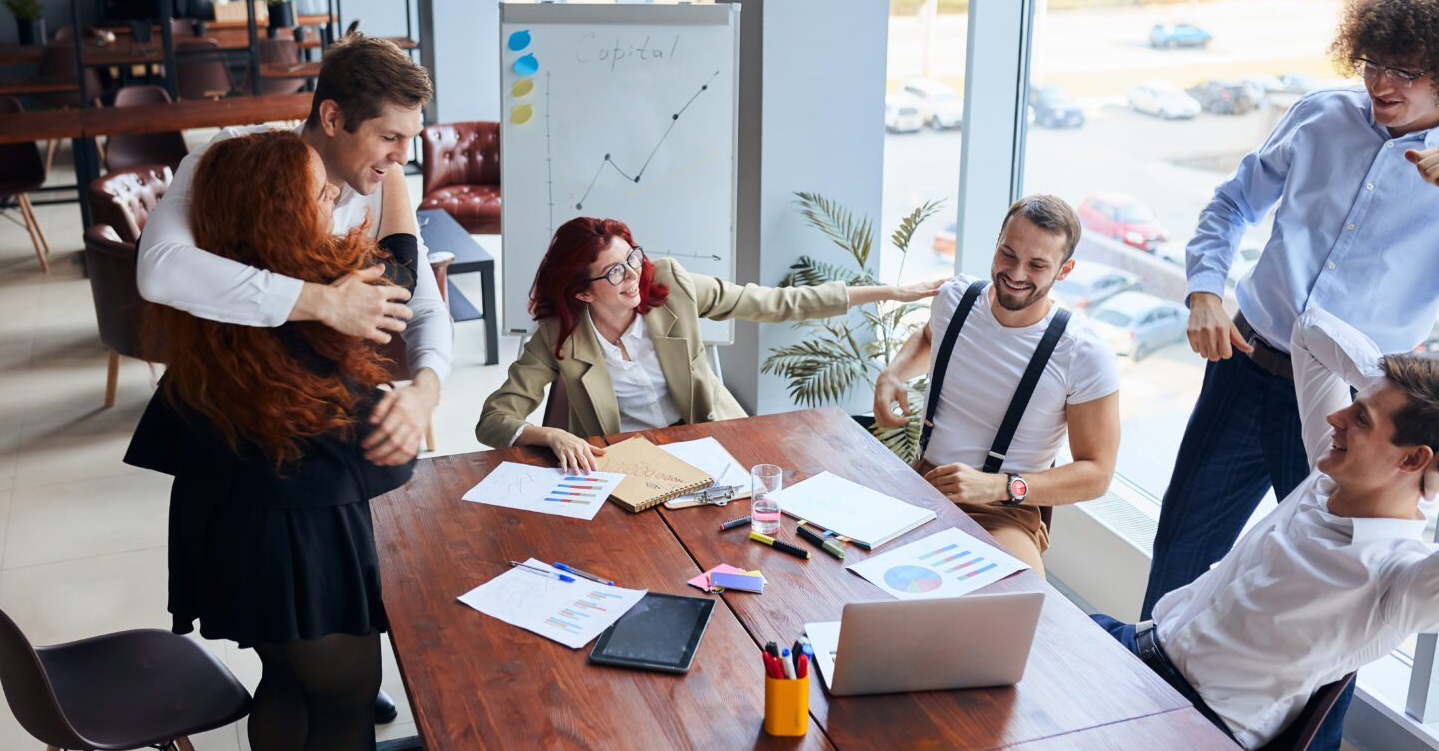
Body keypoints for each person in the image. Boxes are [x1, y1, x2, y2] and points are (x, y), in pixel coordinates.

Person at [1140, 0, 1439, 751]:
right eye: (1374, 60)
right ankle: (1139, 692)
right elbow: (1232, 204)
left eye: (1405, 70)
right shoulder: (1321, 116)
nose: (1381, 82)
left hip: (1357, 414)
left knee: (1337, 606)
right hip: (1247, 364)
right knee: (1185, 548)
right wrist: (1206, 284)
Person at [127, 130, 418, 751]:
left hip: (219, 531)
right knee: (345, 706)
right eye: (319, 191)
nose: (337, 201)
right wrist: (394, 179)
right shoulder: (328, 301)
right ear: (277, 211)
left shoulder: (216, 307)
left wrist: (382, 161)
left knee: (284, 678)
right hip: (299, 542)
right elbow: (399, 270)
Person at [1092, 306, 1439, 751]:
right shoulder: (1329, 471)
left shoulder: (1401, 582)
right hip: (1134, 648)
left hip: (1192, 737)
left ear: (1414, 460)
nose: (1335, 418)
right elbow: (1309, 329)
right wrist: (1382, 381)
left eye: (1360, 418)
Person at [137, 33, 451, 468]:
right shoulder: (233, 158)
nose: (403, 156)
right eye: (389, 136)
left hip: (321, 415)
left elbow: (423, 305)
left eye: (410, 138)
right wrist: (323, 303)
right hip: (232, 418)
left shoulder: (382, 180)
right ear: (333, 117)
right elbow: (158, 270)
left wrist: (424, 391)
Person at [475, 216, 935, 468]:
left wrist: (888, 292)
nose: (634, 274)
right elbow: (493, 420)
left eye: (632, 257)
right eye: (615, 272)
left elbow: (774, 302)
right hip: (624, 463)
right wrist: (548, 433)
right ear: (581, 292)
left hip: (704, 439)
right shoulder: (559, 334)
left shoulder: (672, 287)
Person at [873, 195, 1120, 576]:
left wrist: (1002, 487)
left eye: (1037, 265)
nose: (1016, 273)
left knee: (1021, 605)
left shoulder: (1083, 353)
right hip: (922, 480)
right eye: (1008, 254)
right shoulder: (955, 298)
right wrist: (893, 374)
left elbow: (1097, 473)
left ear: (1065, 270)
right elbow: (927, 338)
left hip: (1003, 513)